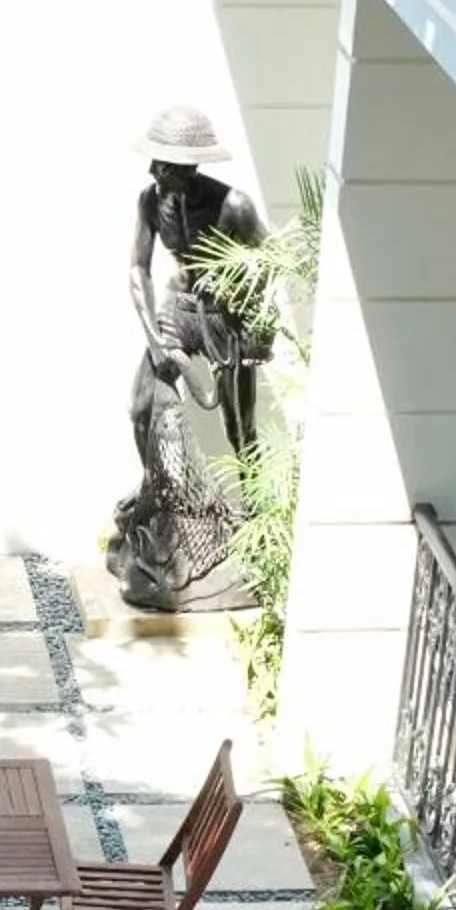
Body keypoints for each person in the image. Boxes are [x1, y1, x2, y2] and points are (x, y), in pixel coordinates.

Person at [112, 105, 268, 612]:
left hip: (224, 318)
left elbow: (268, 266)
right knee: (141, 409)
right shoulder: (150, 201)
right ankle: (156, 506)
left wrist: (243, 324)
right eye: (155, 162)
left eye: (165, 164)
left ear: (190, 168)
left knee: (241, 429)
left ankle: (259, 533)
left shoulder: (234, 206)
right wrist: (157, 343)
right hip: (178, 310)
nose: (155, 172)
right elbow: (138, 268)